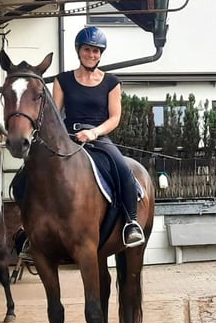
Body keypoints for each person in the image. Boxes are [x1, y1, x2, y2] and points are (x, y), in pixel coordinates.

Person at [52, 26, 146, 248]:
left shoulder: (111, 82)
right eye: (87, 50)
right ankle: (29, 231)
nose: (91, 54)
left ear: (101, 54)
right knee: (31, 171)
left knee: (123, 168)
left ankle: (131, 222)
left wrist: (93, 132)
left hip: (97, 136)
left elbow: (115, 118)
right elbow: (56, 114)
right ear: (79, 51)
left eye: (96, 51)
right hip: (68, 136)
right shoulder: (62, 80)